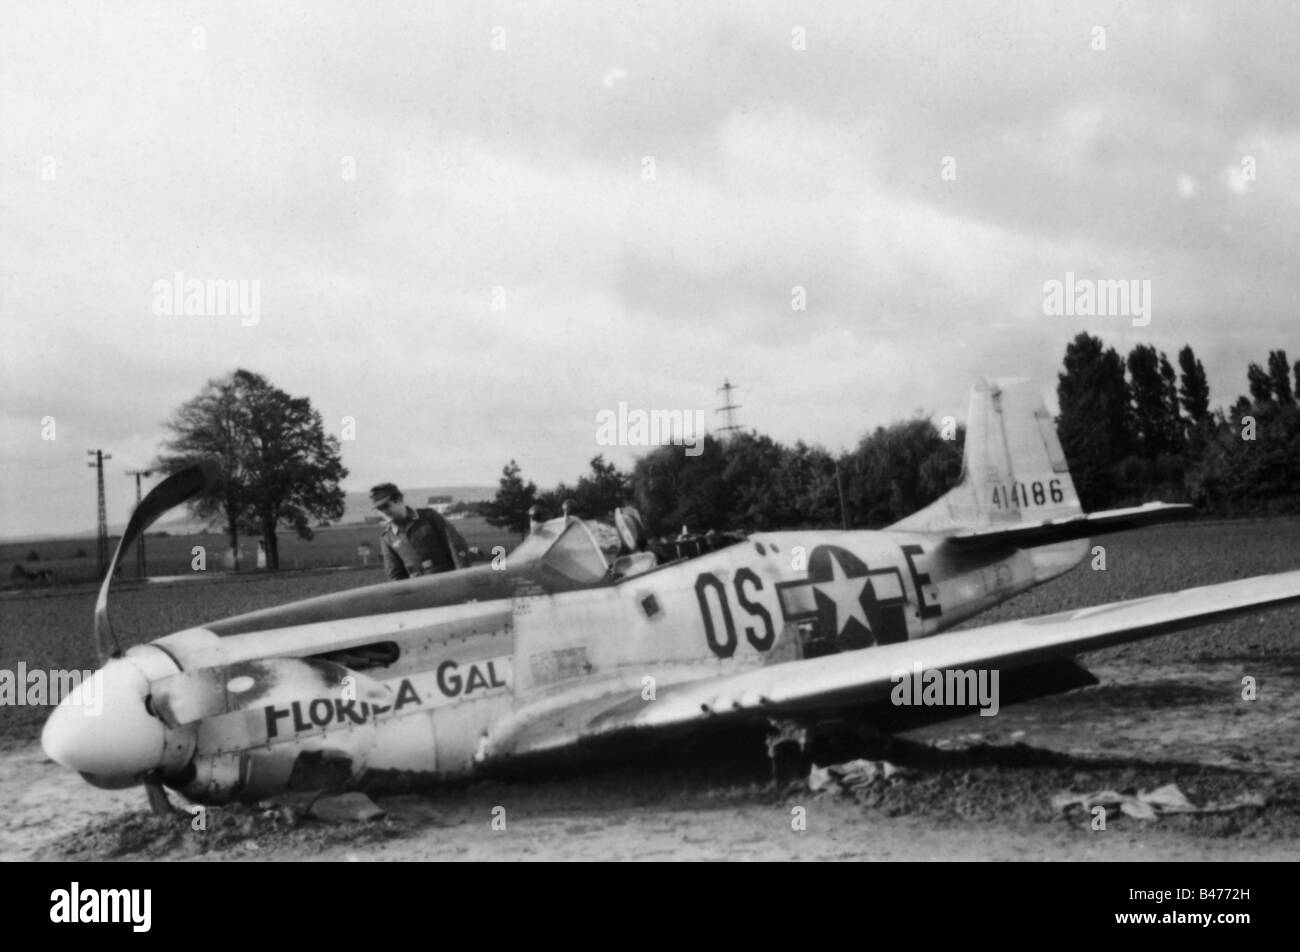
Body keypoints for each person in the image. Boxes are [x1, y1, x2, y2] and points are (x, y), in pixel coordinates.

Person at [371, 483, 470, 581]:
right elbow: (395, 574)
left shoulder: (429, 517)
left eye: (386, 506)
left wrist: (462, 579)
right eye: (379, 509)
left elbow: (457, 546)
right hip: (419, 590)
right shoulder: (387, 537)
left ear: (399, 500)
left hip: (448, 580)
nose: (384, 512)